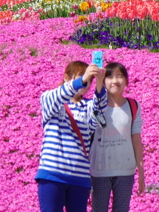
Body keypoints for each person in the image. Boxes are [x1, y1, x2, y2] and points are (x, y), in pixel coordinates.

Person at [36, 60, 107, 212]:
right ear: (66, 78)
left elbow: (99, 117)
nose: (86, 83)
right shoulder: (51, 100)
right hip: (52, 174)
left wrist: (100, 85)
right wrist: (81, 80)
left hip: (79, 178)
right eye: (81, 77)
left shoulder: (88, 106)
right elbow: (59, 94)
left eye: (89, 80)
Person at [90, 62, 145, 211]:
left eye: (120, 76)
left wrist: (141, 170)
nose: (115, 81)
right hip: (99, 169)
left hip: (125, 170)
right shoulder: (93, 106)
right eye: (110, 77)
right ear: (102, 80)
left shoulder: (133, 106)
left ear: (126, 81)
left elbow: (136, 139)